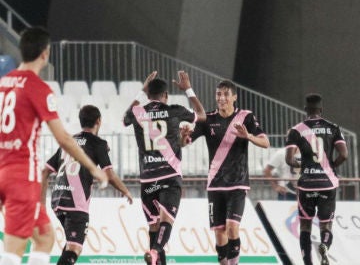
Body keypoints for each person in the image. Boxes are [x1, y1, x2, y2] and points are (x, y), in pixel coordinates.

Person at [0, 27, 108, 265]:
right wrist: (93, 168)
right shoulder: (37, 87)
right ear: (45, 54)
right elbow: (64, 139)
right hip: (21, 177)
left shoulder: (3, 83)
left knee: (45, 237)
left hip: (3, 172)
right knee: (13, 250)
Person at [123, 70, 206, 265]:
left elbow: (124, 119)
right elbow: (202, 115)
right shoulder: (175, 110)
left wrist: (140, 92)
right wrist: (188, 90)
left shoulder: (138, 113)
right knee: (166, 223)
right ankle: (155, 251)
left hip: (148, 179)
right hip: (169, 177)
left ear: (148, 94)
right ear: (166, 96)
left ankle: (155, 253)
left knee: (154, 228)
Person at [183, 80, 270, 264]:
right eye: (218, 95)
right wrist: (183, 137)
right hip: (215, 184)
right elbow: (186, 141)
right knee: (220, 234)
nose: (221, 98)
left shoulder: (246, 117)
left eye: (225, 94)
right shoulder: (208, 119)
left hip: (238, 183)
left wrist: (249, 136)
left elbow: (265, 142)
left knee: (232, 228)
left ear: (234, 97)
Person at [42, 105, 133, 265]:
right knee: (74, 249)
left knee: (71, 244)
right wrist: (125, 191)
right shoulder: (98, 143)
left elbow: (45, 171)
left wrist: (41, 202)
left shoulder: (68, 142)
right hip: (76, 202)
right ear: (99, 121)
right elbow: (109, 175)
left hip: (57, 200)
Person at [285, 93, 348, 265]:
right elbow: (344, 154)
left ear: (305, 110)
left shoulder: (296, 130)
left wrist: (303, 163)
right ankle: (325, 246)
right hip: (327, 183)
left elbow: (289, 160)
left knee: (305, 225)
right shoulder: (333, 128)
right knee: (326, 225)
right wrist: (331, 166)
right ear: (321, 110)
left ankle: (308, 263)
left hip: (307, 184)